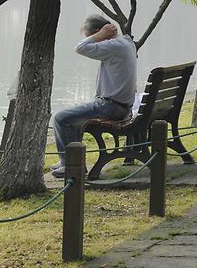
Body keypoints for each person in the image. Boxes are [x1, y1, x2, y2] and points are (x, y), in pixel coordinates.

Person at [51, 15, 138, 177]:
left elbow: (80, 48)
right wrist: (102, 34)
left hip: (110, 107)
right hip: (122, 106)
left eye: (92, 37)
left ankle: (69, 164)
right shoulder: (126, 43)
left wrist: (99, 36)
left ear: (101, 33)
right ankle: (73, 161)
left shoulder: (114, 46)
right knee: (74, 118)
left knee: (61, 118)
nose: (93, 42)